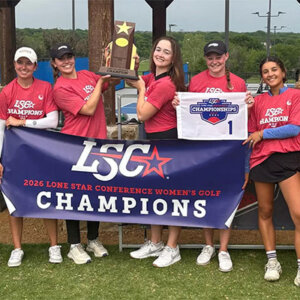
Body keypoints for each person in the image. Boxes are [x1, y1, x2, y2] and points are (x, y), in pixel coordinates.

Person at [172, 40, 253, 272]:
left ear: (226, 57)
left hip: (228, 151)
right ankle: (208, 245)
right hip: (203, 151)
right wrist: (178, 103)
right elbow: (188, 113)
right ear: (205, 58)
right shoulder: (196, 81)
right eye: (210, 57)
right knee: (205, 197)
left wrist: (248, 104)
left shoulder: (237, 82)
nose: (214, 61)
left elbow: (243, 116)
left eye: (218, 56)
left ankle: (224, 249)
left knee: (225, 198)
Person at [127, 36, 186, 267]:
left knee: (170, 196)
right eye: (158, 49)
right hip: (152, 141)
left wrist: (142, 88)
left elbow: (142, 115)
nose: (160, 54)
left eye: (166, 52)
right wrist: (129, 60)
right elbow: (131, 78)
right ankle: (155, 242)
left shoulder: (165, 84)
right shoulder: (154, 77)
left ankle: (173, 247)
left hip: (167, 141)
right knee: (153, 194)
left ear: (173, 59)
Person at [50, 43, 112, 264]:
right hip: (74, 146)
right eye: (61, 58)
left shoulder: (87, 75)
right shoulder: (59, 88)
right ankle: (74, 245)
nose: (66, 61)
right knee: (74, 196)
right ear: (55, 64)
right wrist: (100, 82)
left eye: (69, 56)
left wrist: (114, 63)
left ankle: (93, 239)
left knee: (94, 195)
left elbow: (109, 80)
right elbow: (88, 109)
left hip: (97, 145)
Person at [0, 47, 62, 267]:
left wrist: (23, 122)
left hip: (41, 153)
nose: (24, 67)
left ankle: (54, 245)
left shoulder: (45, 88)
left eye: (28, 63)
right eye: (20, 63)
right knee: (14, 200)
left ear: (36, 66)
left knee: (46, 197)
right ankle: (17, 248)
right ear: (15, 64)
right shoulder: (6, 92)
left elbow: (52, 121)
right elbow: (1, 128)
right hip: (14, 156)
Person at [243, 56, 300, 286]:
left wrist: (263, 134)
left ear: (283, 72)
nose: (270, 74)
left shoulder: (295, 96)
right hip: (262, 162)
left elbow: (295, 127)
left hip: (288, 160)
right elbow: (250, 133)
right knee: (265, 211)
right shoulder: (256, 102)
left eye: (274, 69)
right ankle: (272, 261)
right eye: (265, 71)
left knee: (298, 213)